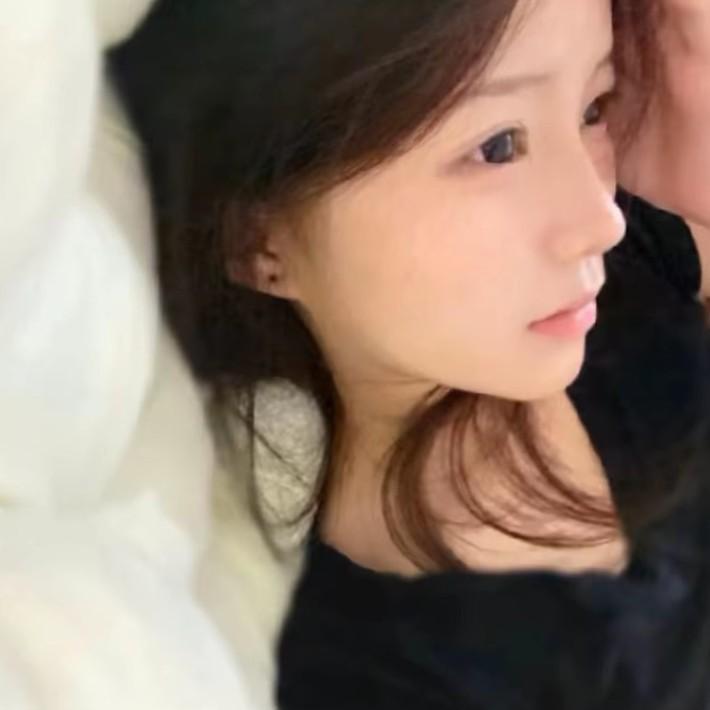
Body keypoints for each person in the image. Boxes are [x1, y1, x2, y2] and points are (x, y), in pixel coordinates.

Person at [110, 0, 710, 706]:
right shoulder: (377, 676)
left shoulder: (611, 289)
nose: (600, 221)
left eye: (592, 107)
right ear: (257, 242)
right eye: (497, 147)